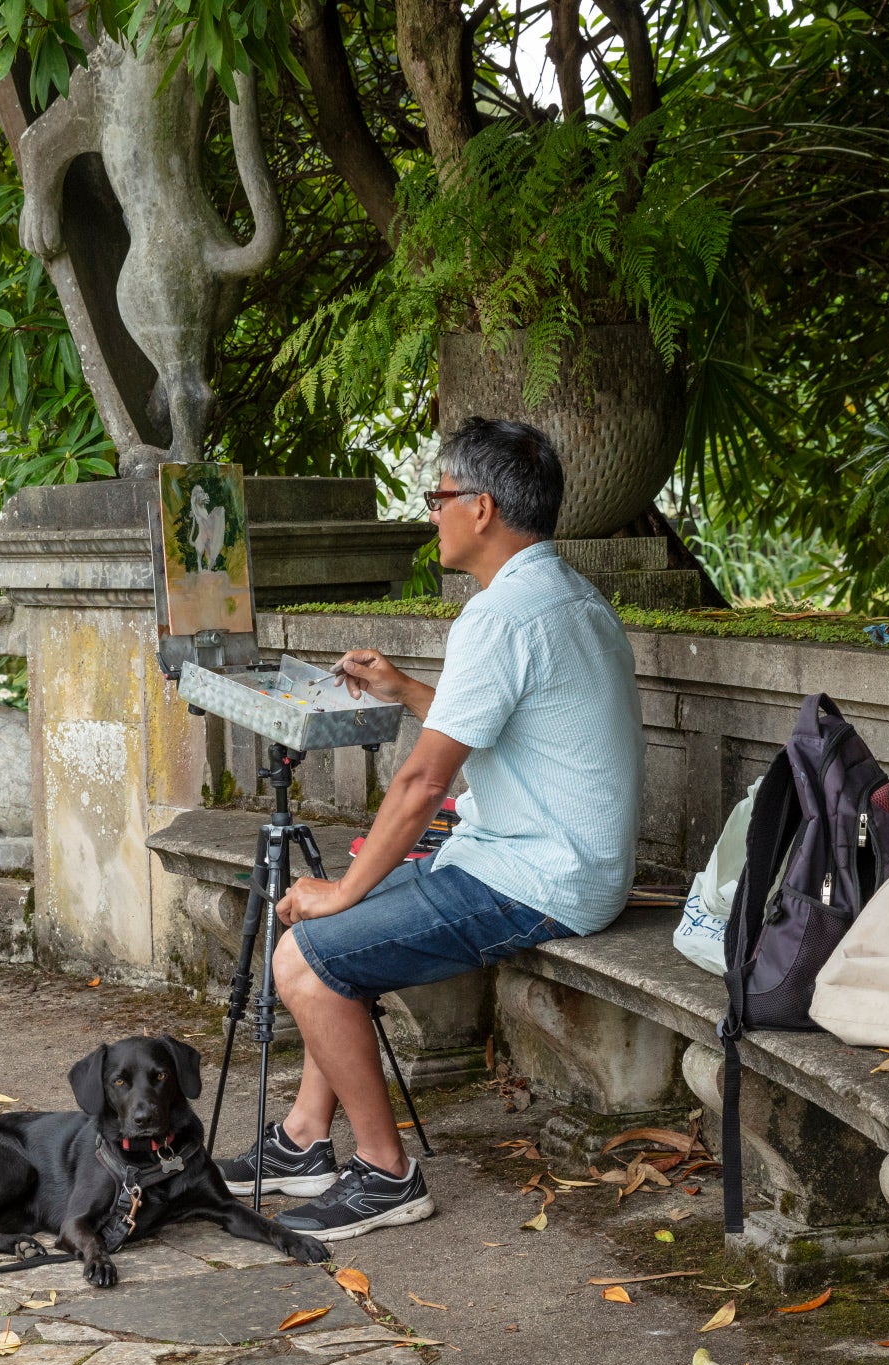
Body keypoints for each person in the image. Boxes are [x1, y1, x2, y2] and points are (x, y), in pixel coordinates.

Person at [218, 416, 646, 1239]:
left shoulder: (500, 617)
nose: (432, 512)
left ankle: (385, 1173)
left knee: (303, 960)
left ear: (481, 508)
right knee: (339, 939)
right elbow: (498, 721)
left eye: (440, 496)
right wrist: (408, 689)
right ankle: (307, 1139)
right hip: (543, 857)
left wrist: (343, 887)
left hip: (536, 875)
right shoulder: (565, 595)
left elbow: (420, 783)